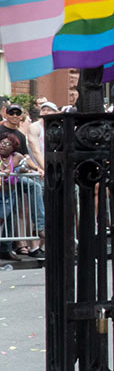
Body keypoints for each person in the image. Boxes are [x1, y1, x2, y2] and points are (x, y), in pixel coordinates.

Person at [0, 104, 44, 259]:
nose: (13, 115)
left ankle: (40, 226)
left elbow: (25, 157)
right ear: (5, 113)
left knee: (34, 186)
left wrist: (37, 168)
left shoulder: (19, 135)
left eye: (17, 113)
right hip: (3, 178)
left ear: (20, 116)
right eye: (10, 112)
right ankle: (6, 247)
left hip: (13, 177)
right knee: (6, 211)